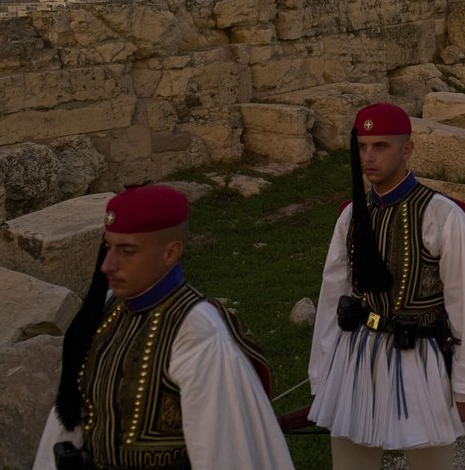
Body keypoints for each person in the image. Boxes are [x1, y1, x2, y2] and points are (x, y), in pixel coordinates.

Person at [308, 103, 465, 470]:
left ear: (407, 150)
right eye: (363, 147)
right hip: (357, 357)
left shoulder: (442, 216)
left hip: (421, 360)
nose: (369, 157)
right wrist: (323, 372)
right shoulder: (350, 216)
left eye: (381, 146)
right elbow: (333, 296)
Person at [34, 184, 294, 470]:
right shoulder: (105, 310)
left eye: (127, 251)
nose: (107, 265)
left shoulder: (195, 336)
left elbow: (223, 454)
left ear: (171, 253)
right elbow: (70, 417)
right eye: (108, 248)